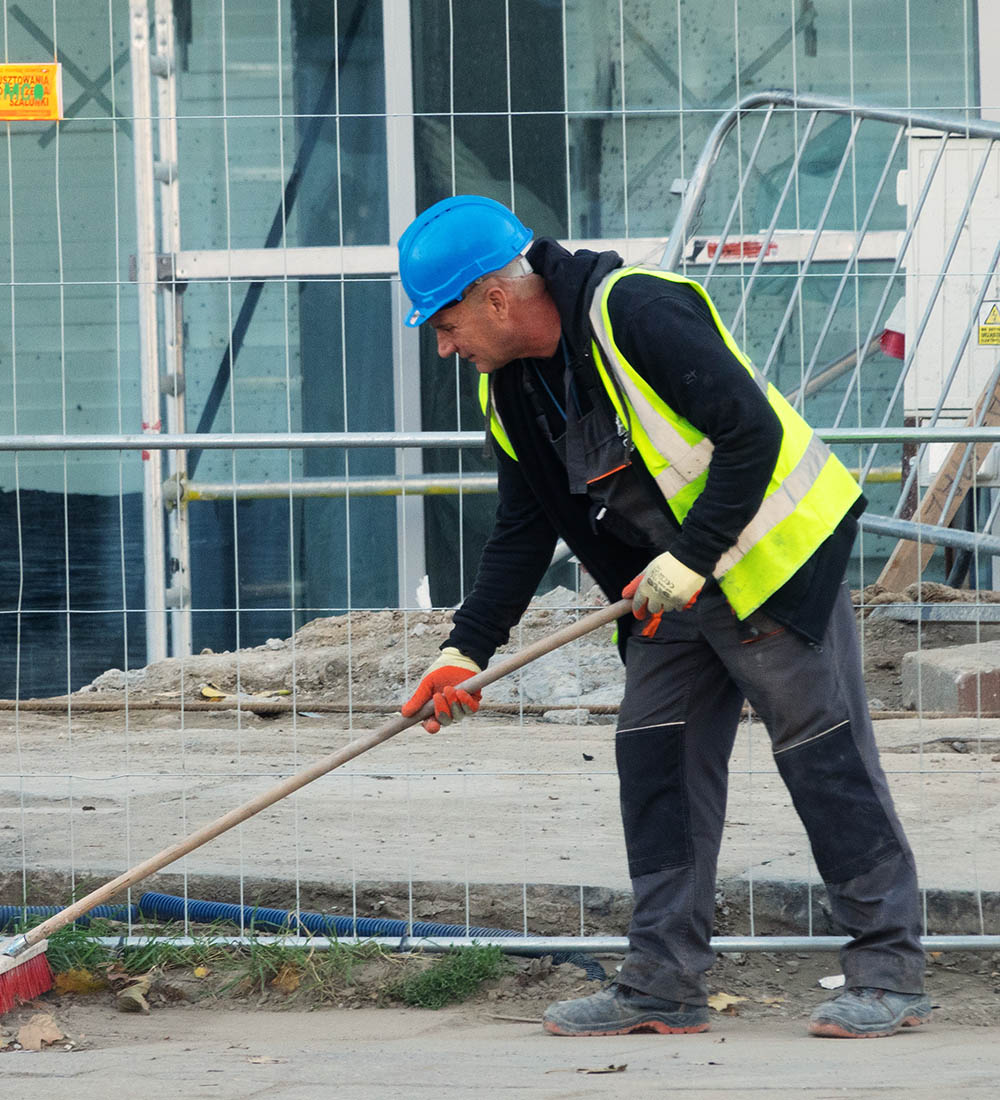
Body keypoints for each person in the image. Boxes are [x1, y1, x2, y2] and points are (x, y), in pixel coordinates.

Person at [396, 194, 931, 1039]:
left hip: (772, 564)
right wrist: (463, 651)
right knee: (656, 760)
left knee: (823, 762)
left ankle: (888, 973)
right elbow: (523, 529)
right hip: (669, 595)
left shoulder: (635, 309)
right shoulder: (511, 392)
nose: (443, 344)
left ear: (497, 298)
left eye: (445, 321)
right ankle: (662, 983)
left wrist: (693, 556)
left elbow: (749, 432)